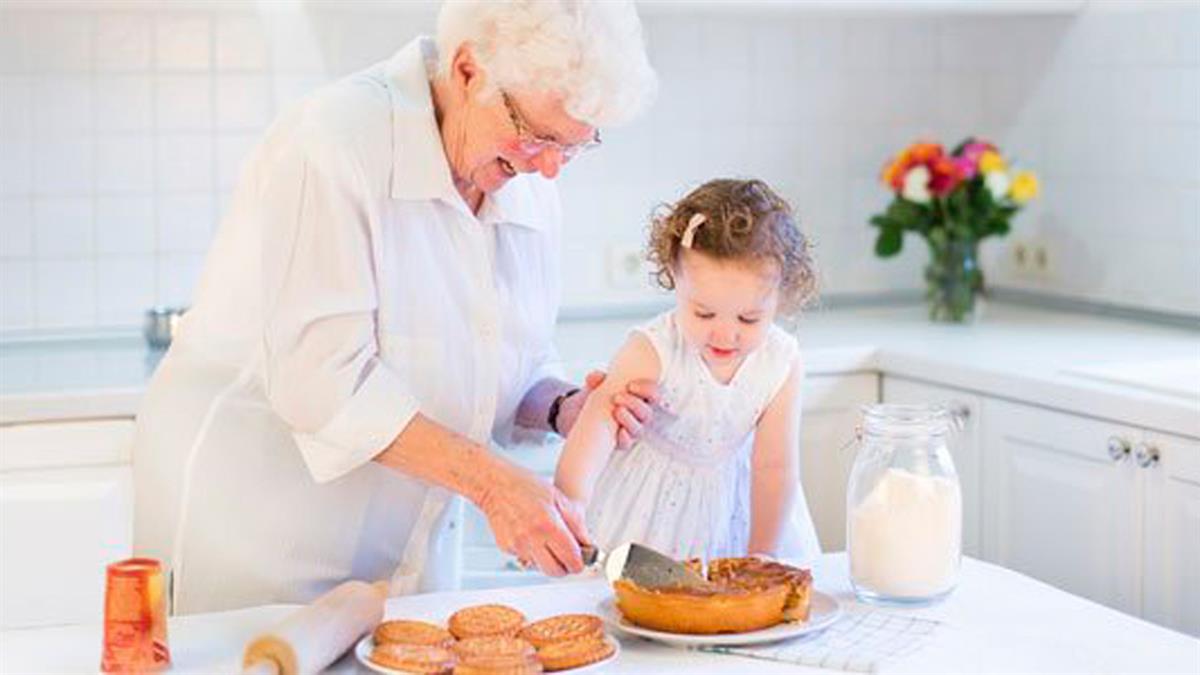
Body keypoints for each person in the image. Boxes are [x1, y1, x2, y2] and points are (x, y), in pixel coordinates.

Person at [132, 0, 657, 614]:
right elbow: (322, 384)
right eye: (539, 136)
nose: (549, 170)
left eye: (573, 146)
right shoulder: (334, 145)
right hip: (258, 538)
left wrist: (564, 407)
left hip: (404, 555)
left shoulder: (522, 178)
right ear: (468, 70)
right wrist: (493, 487)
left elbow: (510, 354)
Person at [555, 178, 822, 563]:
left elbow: (774, 466)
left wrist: (762, 552)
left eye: (748, 318)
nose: (725, 334)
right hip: (646, 515)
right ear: (674, 278)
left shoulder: (781, 361)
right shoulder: (652, 350)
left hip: (730, 511)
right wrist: (570, 507)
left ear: (782, 297)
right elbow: (595, 428)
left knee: (729, 594)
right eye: (704, 313)